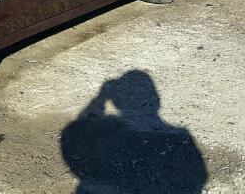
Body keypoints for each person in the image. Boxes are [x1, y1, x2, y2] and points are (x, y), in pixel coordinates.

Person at [61, 70, 207, 193]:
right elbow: (200, 178)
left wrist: (100, 99)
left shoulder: (179, 140)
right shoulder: (181, 139)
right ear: (156, 98)